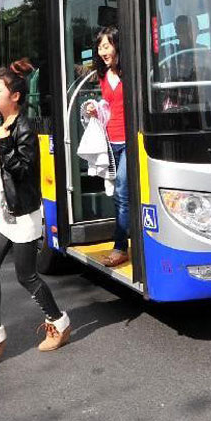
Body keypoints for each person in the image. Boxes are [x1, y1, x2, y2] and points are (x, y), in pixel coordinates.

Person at [0, 59, 71, 365]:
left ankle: (59, 323)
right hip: (3, 212)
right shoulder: (0, 124)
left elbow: (24, 170)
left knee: (26, 276)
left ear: (14, 96)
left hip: (23, 213)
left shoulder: (24, 127)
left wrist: (2, 144)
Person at [85, 26, 130, 268]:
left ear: (117, 45)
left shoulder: (129, 72)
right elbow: (108, 108)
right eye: (100, 47)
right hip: (111, 141)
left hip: (130, 141)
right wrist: (95, 109)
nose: (102, 52)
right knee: (119, 194)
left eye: (106, 46)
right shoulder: (103, 76)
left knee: (122, 191)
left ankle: (120, 247)